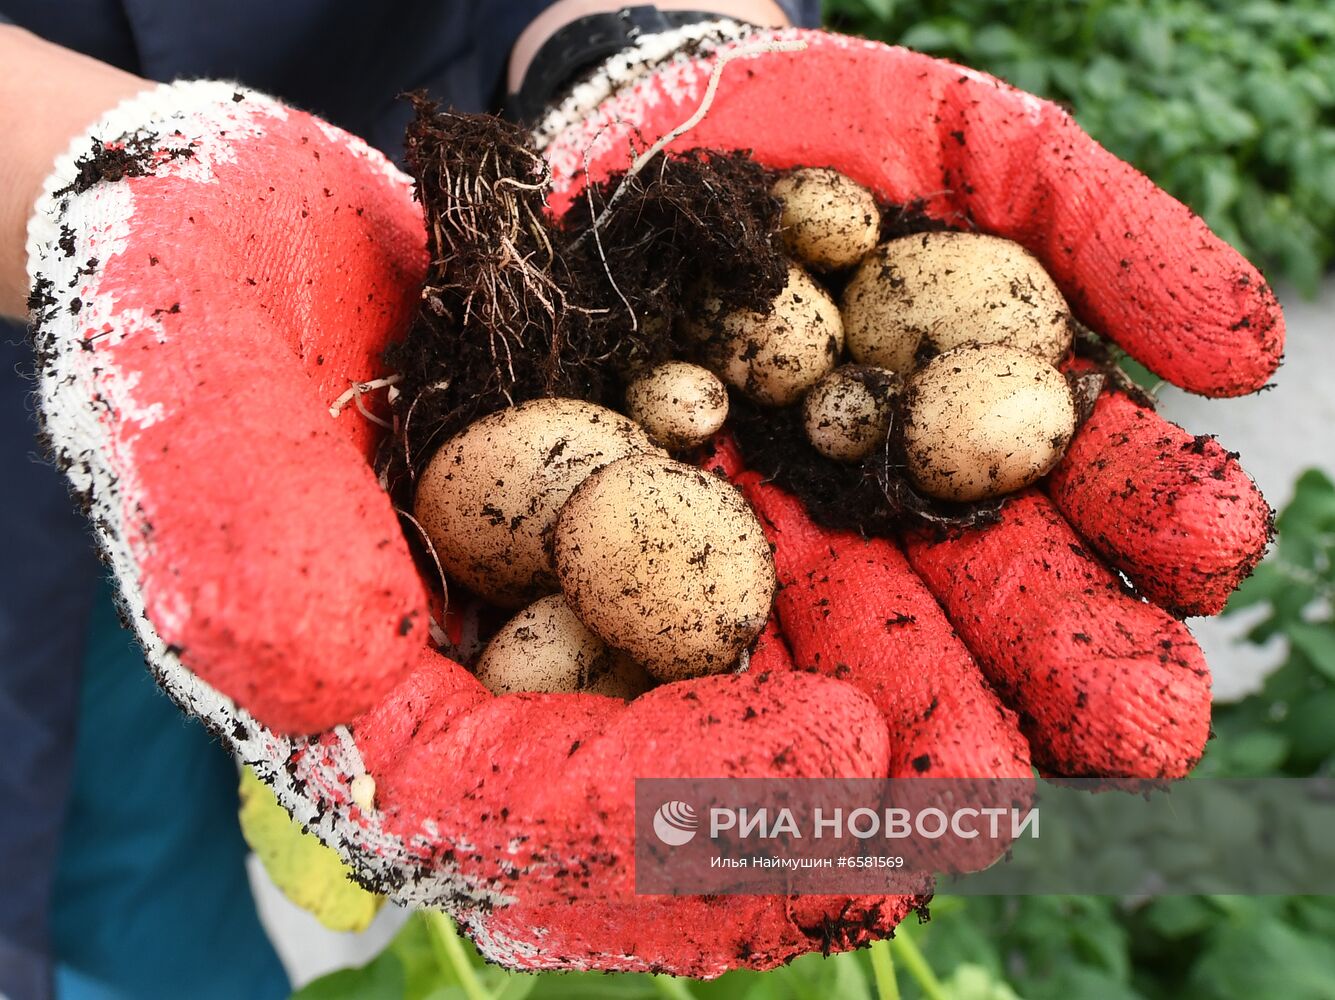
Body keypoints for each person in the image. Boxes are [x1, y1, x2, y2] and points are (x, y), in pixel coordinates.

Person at [0, 4, 816, 998]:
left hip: (412, 267)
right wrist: (116, 194)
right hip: (53, 381)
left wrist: (630, 44)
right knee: (95, 853)